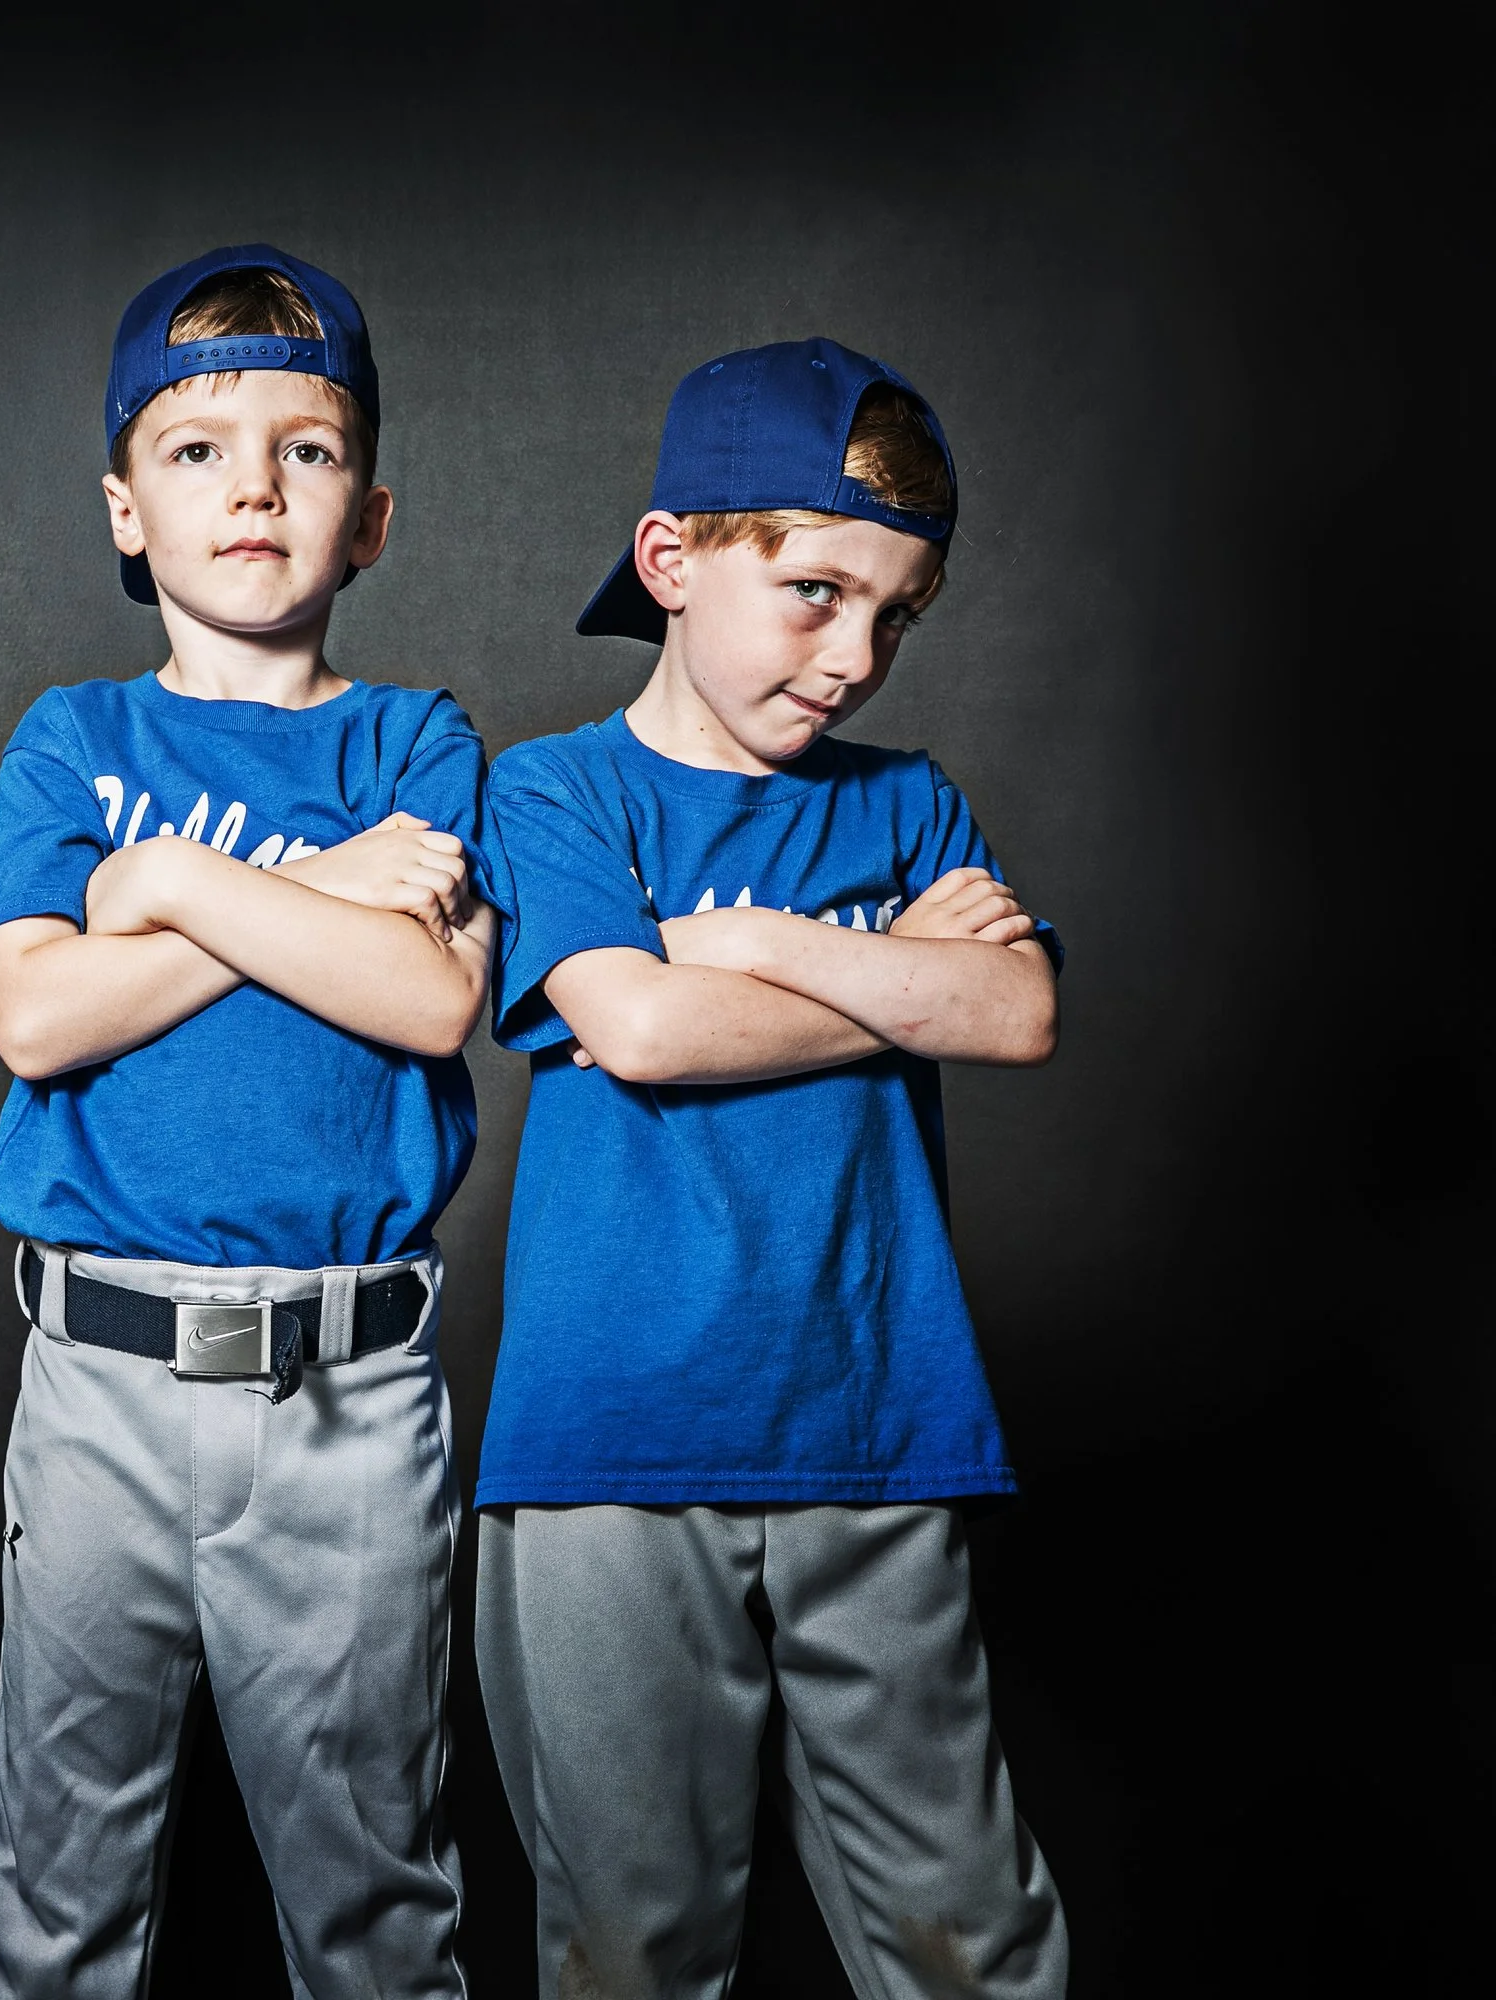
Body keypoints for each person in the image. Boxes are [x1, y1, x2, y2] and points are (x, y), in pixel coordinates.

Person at [476, 338, 1069, 1999]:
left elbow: (1015, 1012)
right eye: (815, 592)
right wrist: (889, 982)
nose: (855, 656)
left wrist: (764, 944)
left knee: (967, 1931)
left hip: (876, 1423)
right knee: (634, 1939)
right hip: (609, 1446)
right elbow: (643, 1031)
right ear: (672, 560)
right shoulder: (553, 790)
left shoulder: (910, 803)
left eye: (895, 614)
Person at [0, 245, 497, 2000]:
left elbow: (428, 1001)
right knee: (54, 1889)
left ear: (376, 514)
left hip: (348, 1389)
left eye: (308, 450)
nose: (255, 486)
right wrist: (323, 900)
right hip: (97, 1378)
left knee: (373, 1900)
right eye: (197, 452)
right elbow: (36, 1014)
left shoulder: (418, 740)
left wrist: (169, 884)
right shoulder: (71, 737)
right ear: (127, 510)